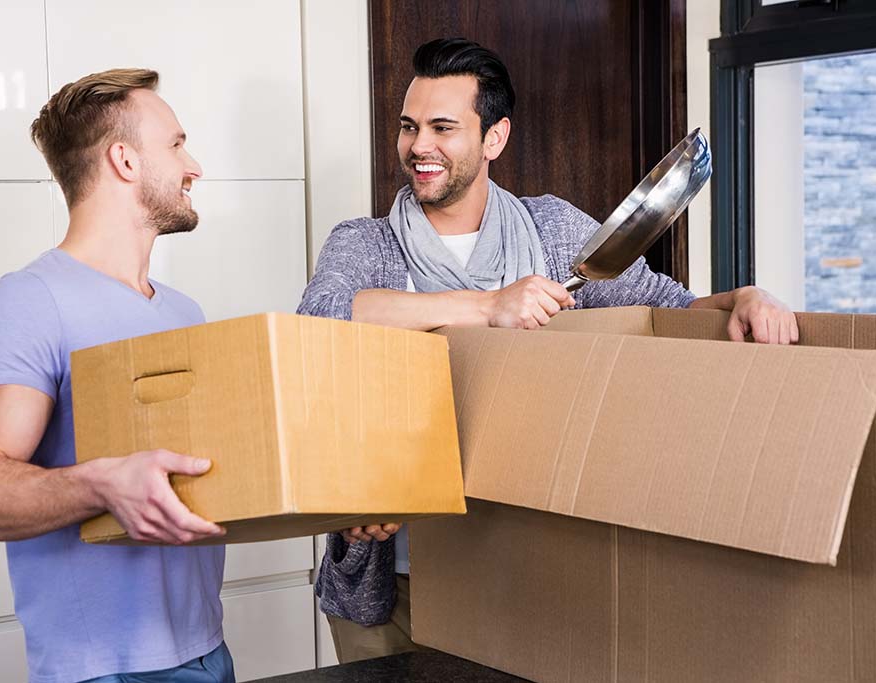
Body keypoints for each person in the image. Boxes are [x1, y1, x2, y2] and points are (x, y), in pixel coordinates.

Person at [298, 38, 799, 664]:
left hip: (523, 576)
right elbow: (320, 321)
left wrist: (744, 297)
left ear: (494, 138)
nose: (418, 146)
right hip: (393, 574)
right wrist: (486, 306)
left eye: (443, 127)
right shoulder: (364, 244)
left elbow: (662, 308)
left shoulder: (553, 231)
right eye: (409, 126)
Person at [0, 69, 235, 683]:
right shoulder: (27, 303)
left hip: (208, 649)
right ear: (124, 160)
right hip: (104, 671)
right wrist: (102, 486)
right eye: (177, 144)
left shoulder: (184, 311)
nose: (195, 165)